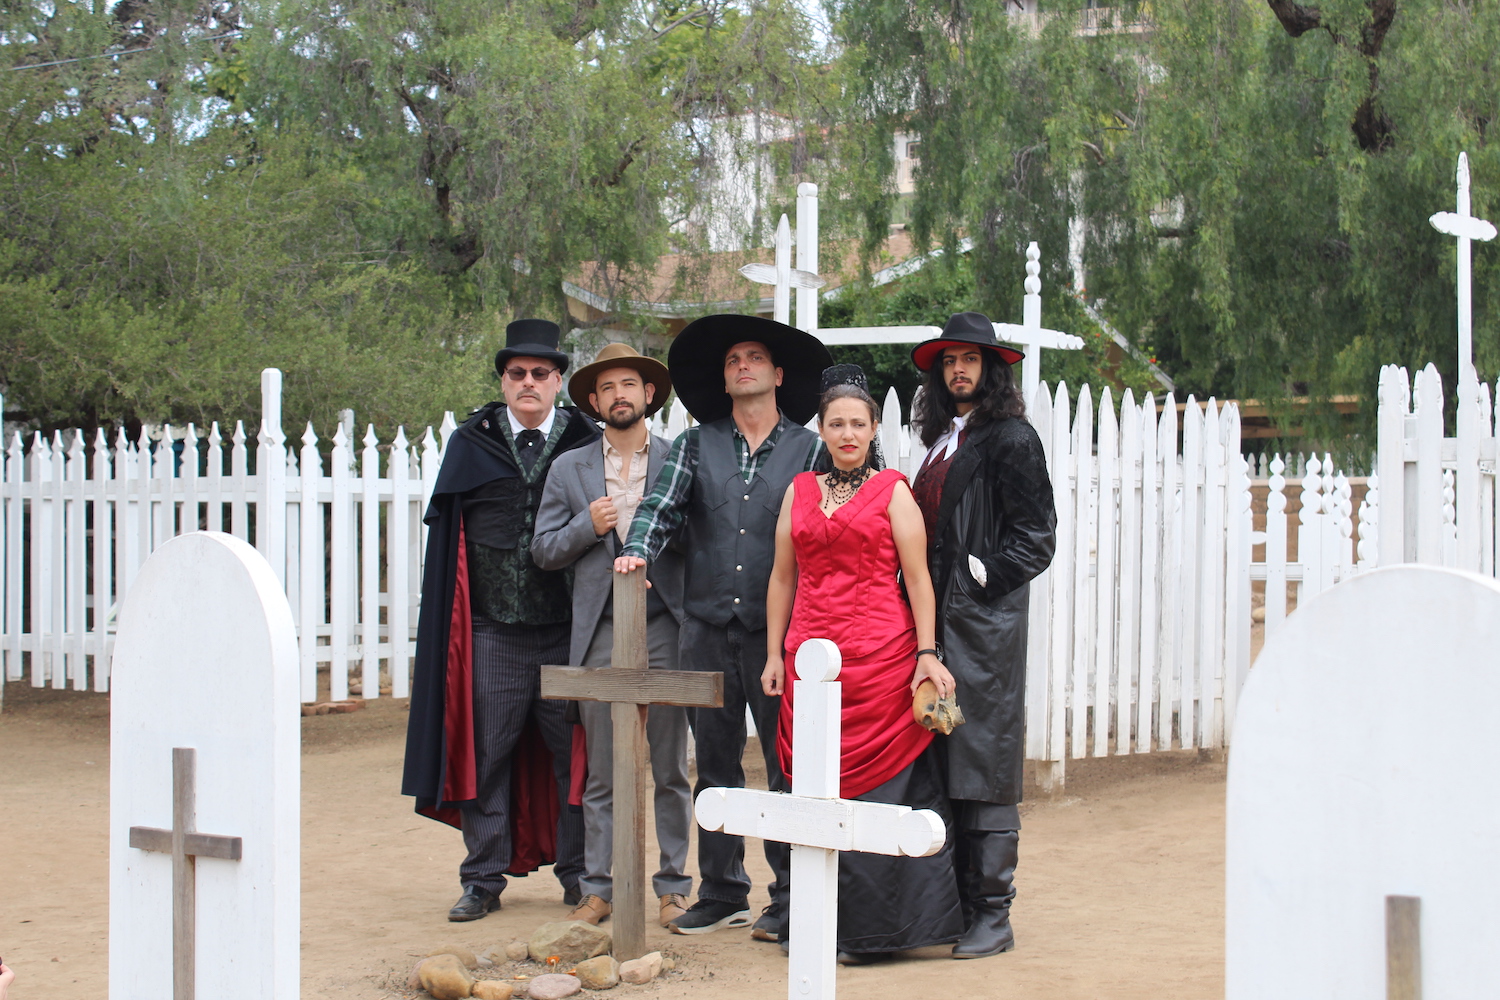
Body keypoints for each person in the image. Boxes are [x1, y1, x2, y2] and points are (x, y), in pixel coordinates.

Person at [614, 314, 832, 939]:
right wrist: (638, 548)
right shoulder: (692, 444)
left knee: (786, 767)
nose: (742, 364)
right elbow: (660, 506)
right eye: (734, 358)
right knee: (713, 763)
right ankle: (723, 890)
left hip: (781, 637)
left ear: (778, 374)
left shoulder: (811, 450)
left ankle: (791, 896)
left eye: (755, 356)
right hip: (703, 629)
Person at [762, 364, 964, 964]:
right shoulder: (799, 491)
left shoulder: (894, 490)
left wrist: (926, 655)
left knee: (880, 799)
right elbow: (781, 577)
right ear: (821, 429)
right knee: (811, 798)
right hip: (808, 663)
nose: (847, 433)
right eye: (836, 424)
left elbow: (920, 581)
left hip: (880, 663)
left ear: (875, 426)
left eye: (858, 423)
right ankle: (818, 923)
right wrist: (774, 653)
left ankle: (878, 933)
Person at [402, 318, 601, 921]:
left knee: (575, 757)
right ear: (504, 380)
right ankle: (482, 878)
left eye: (541, 373)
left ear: (558, 380)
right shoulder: (473, 441)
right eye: (517, 374)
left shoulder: (585, 443)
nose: (529, 383)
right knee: (485, 755)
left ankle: (577, 875)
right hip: (492, 633)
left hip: (568, 630)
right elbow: (450, 543)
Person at [907, 312, 1057, 959]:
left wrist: (982, 573)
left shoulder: (1012, 438)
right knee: (944, 762)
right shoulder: (942, 442)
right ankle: (958, 908)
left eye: (969, 359)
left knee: (985, 765)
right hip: (938, 630)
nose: (958, 370)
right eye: (948, 361)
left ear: (991, 368)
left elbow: (1038, 536)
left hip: (986, 631)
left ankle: (994, 914)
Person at [531, 343, 694, 929]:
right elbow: (543, 550)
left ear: (649, 395)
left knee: (671, 765)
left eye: (630, 384)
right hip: (600, 630)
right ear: (594, 401)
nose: (619, 395)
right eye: (607, 388)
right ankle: (598, 888)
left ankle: (674, 887)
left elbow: (702, 543)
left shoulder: (680, 458)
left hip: (664, 627)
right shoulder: (568, 468)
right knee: (603, 769)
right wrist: (586, 525)